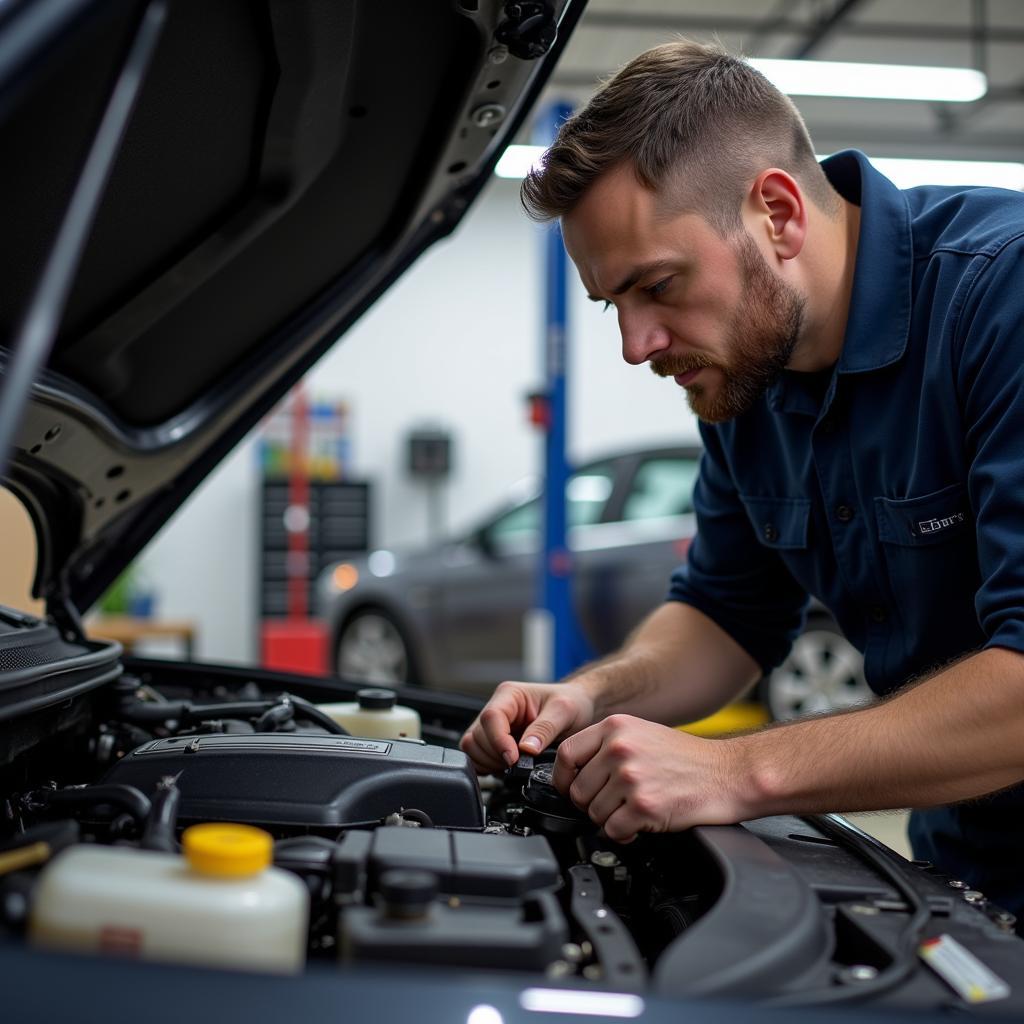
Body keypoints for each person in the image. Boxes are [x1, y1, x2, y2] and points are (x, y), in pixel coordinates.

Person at [459, 39, 1024, 921]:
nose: (635, 344)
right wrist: (592, 697)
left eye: (657, 286)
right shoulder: (744, 375)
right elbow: (727, 613)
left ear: (778, 213)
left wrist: (733, 769)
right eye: (616, 305)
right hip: (969, 878)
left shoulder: (1003, 299)